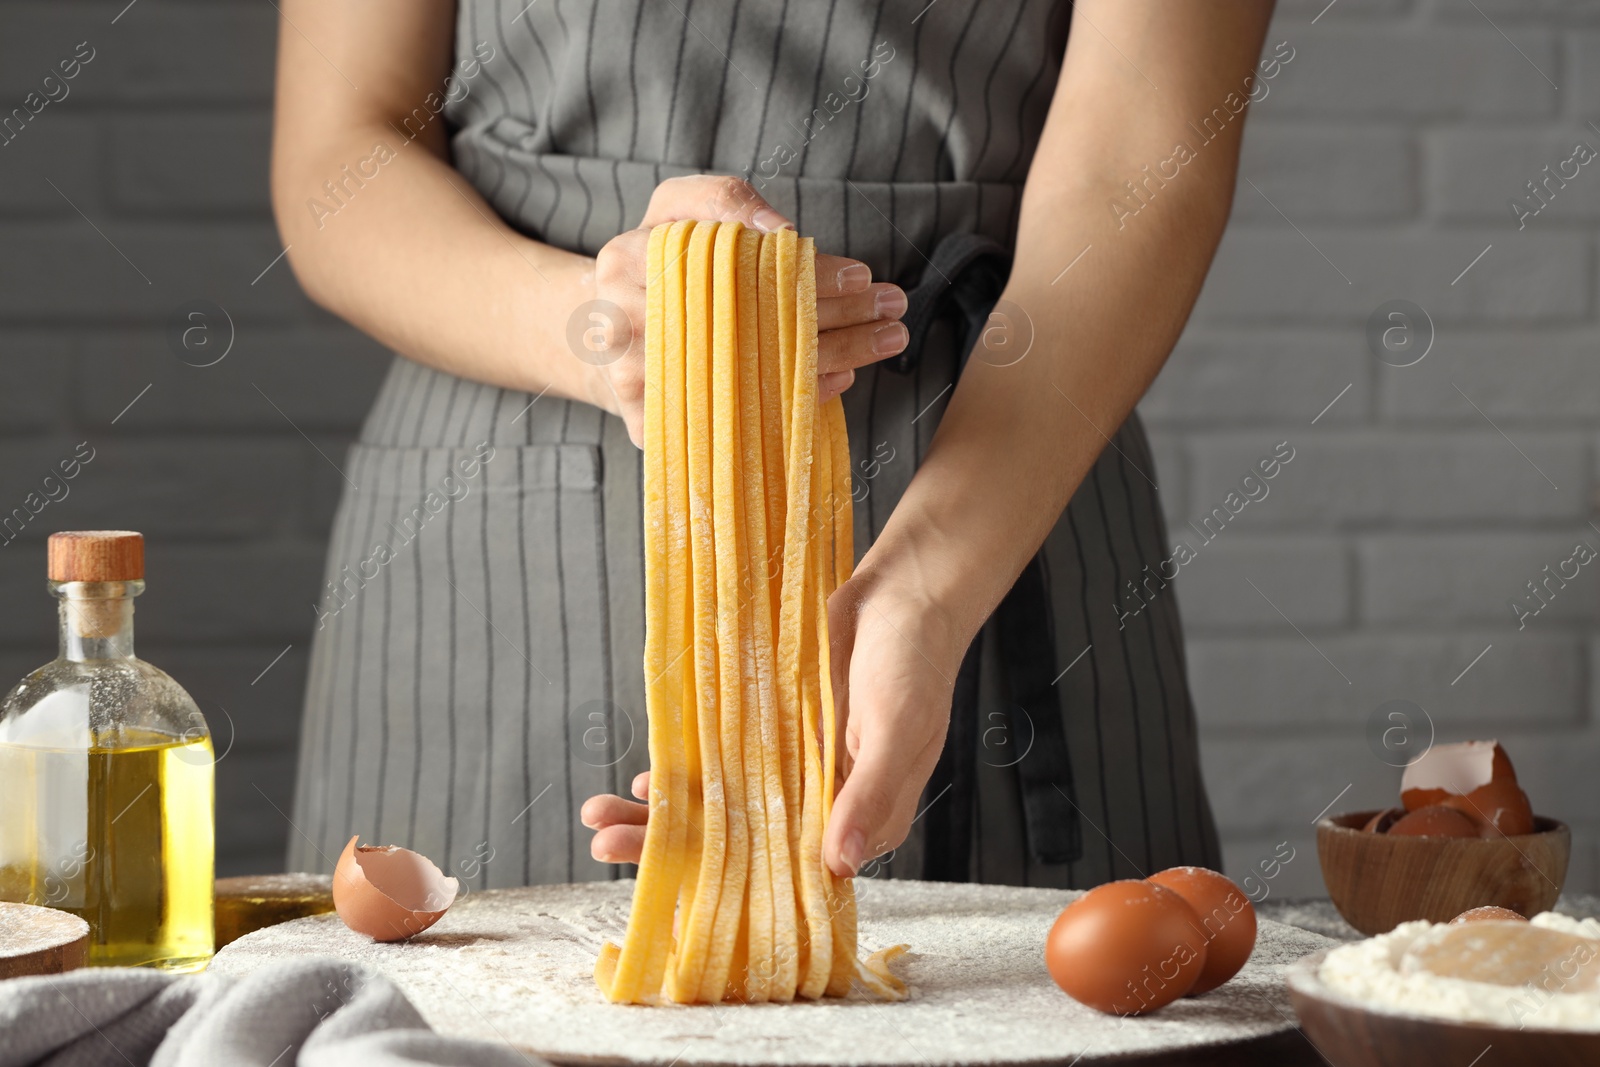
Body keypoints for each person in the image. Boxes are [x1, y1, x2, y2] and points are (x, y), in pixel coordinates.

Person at [273, 0, 1275, 891]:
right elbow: (339, 151)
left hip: (1013, 466)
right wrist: (591, 324)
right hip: (506, 520)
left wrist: (930, 589)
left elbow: (1142, 161)